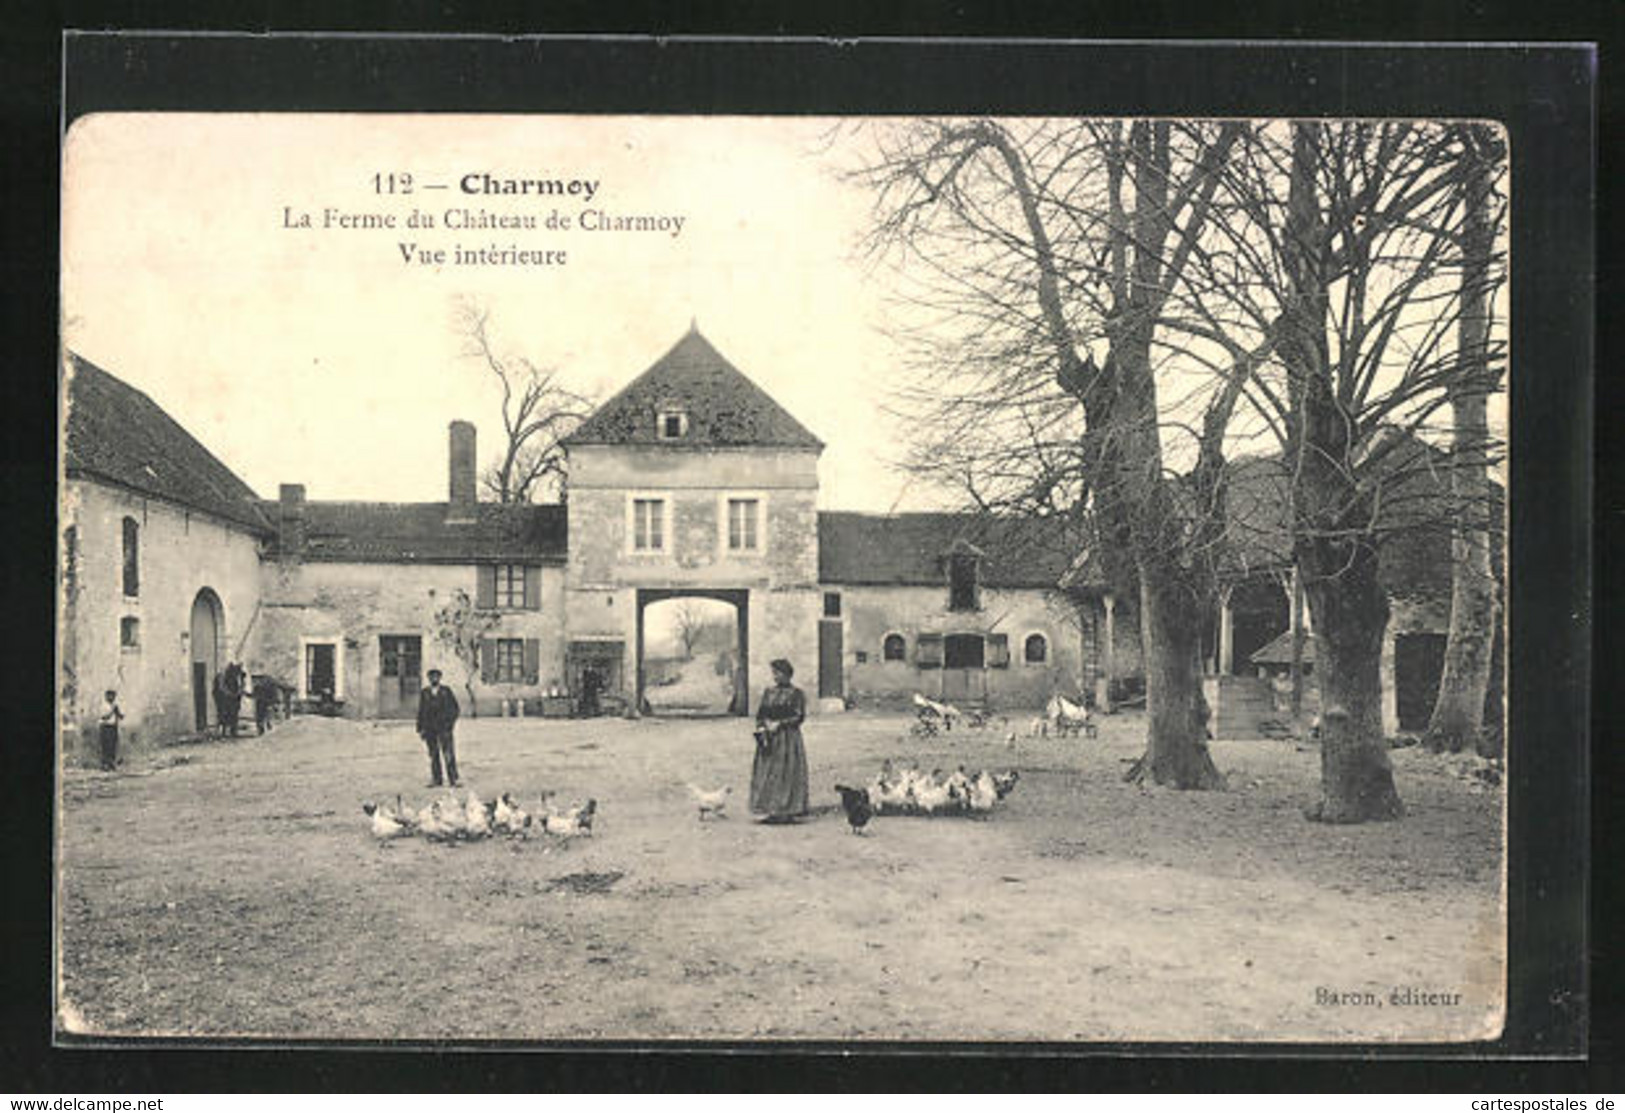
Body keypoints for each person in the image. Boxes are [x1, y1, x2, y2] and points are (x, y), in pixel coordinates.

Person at [751, 658, 809, 823]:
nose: (775, 677)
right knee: (768, 773)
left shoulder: (797, 693)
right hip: (769, 738)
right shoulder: (768, 692)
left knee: (787, 772)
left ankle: (788, 811)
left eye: (778, 673)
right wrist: (762, 726)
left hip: (788, 739)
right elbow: (761, 713)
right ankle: (771, 810)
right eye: (774, 673)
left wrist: (781, 724)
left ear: (788, 675)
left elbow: (799, 716)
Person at [417, 667, 461, 788]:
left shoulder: (446, 692)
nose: (434, 679)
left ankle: (453, 779)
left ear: (440, 678)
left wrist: (449, 724)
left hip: (444, 729)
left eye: (436, 677)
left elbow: (455, 709)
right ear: (429, 679)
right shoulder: (425, 693)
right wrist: (420, 728)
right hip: (430, 729)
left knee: (449, 754)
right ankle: (437, 779)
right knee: (433, 754)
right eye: (431, 677)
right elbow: (421, 711)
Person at [212, 663, 244, 738]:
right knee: (223, 713)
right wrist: (230, 694)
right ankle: (222, 731)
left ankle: (233, 731)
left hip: (233, 698)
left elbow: (240, 686)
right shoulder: (222, 676)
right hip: (222, 698)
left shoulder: (236, 677)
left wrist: (239, 692)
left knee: (234, 712)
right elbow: (222, 687)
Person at [98, 689, 124, 772]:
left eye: (113, 696)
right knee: (106, 746)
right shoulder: (103, 705)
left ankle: (111, 764)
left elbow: (120, 717)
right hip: (105, 727)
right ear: (106, 696)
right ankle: (104, 764)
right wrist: (113, 710)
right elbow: (104, 717)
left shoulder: (114, 705)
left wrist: (120, 714)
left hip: (113, 727)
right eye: (109, 696)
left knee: (113, 745)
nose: (111, 698)